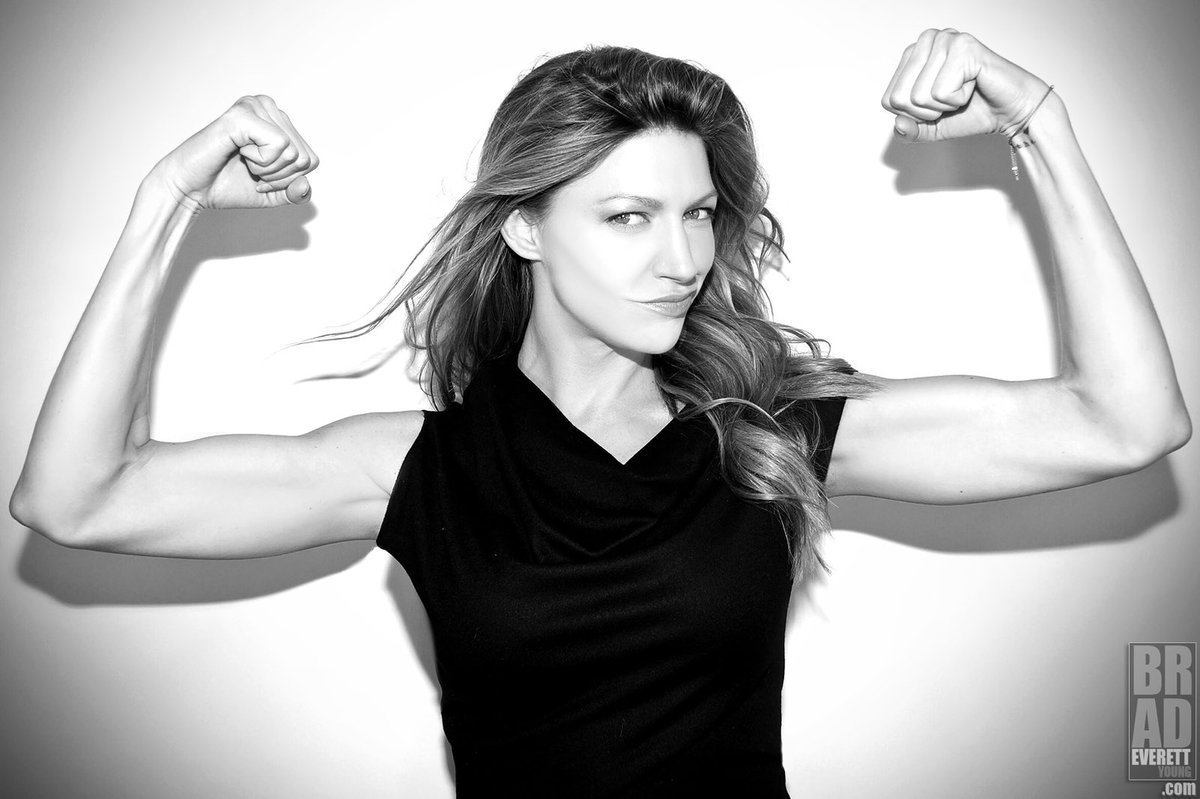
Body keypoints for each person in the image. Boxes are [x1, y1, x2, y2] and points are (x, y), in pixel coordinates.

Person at [9, 28, 1190, 799]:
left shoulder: (764, 433)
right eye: (628, 217)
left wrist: (1041, 122)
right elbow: (77, 498)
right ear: (526, 225)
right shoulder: (420, 468)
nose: (681, 257)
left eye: (699, 213)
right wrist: (164, 205)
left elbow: (1123, 420)